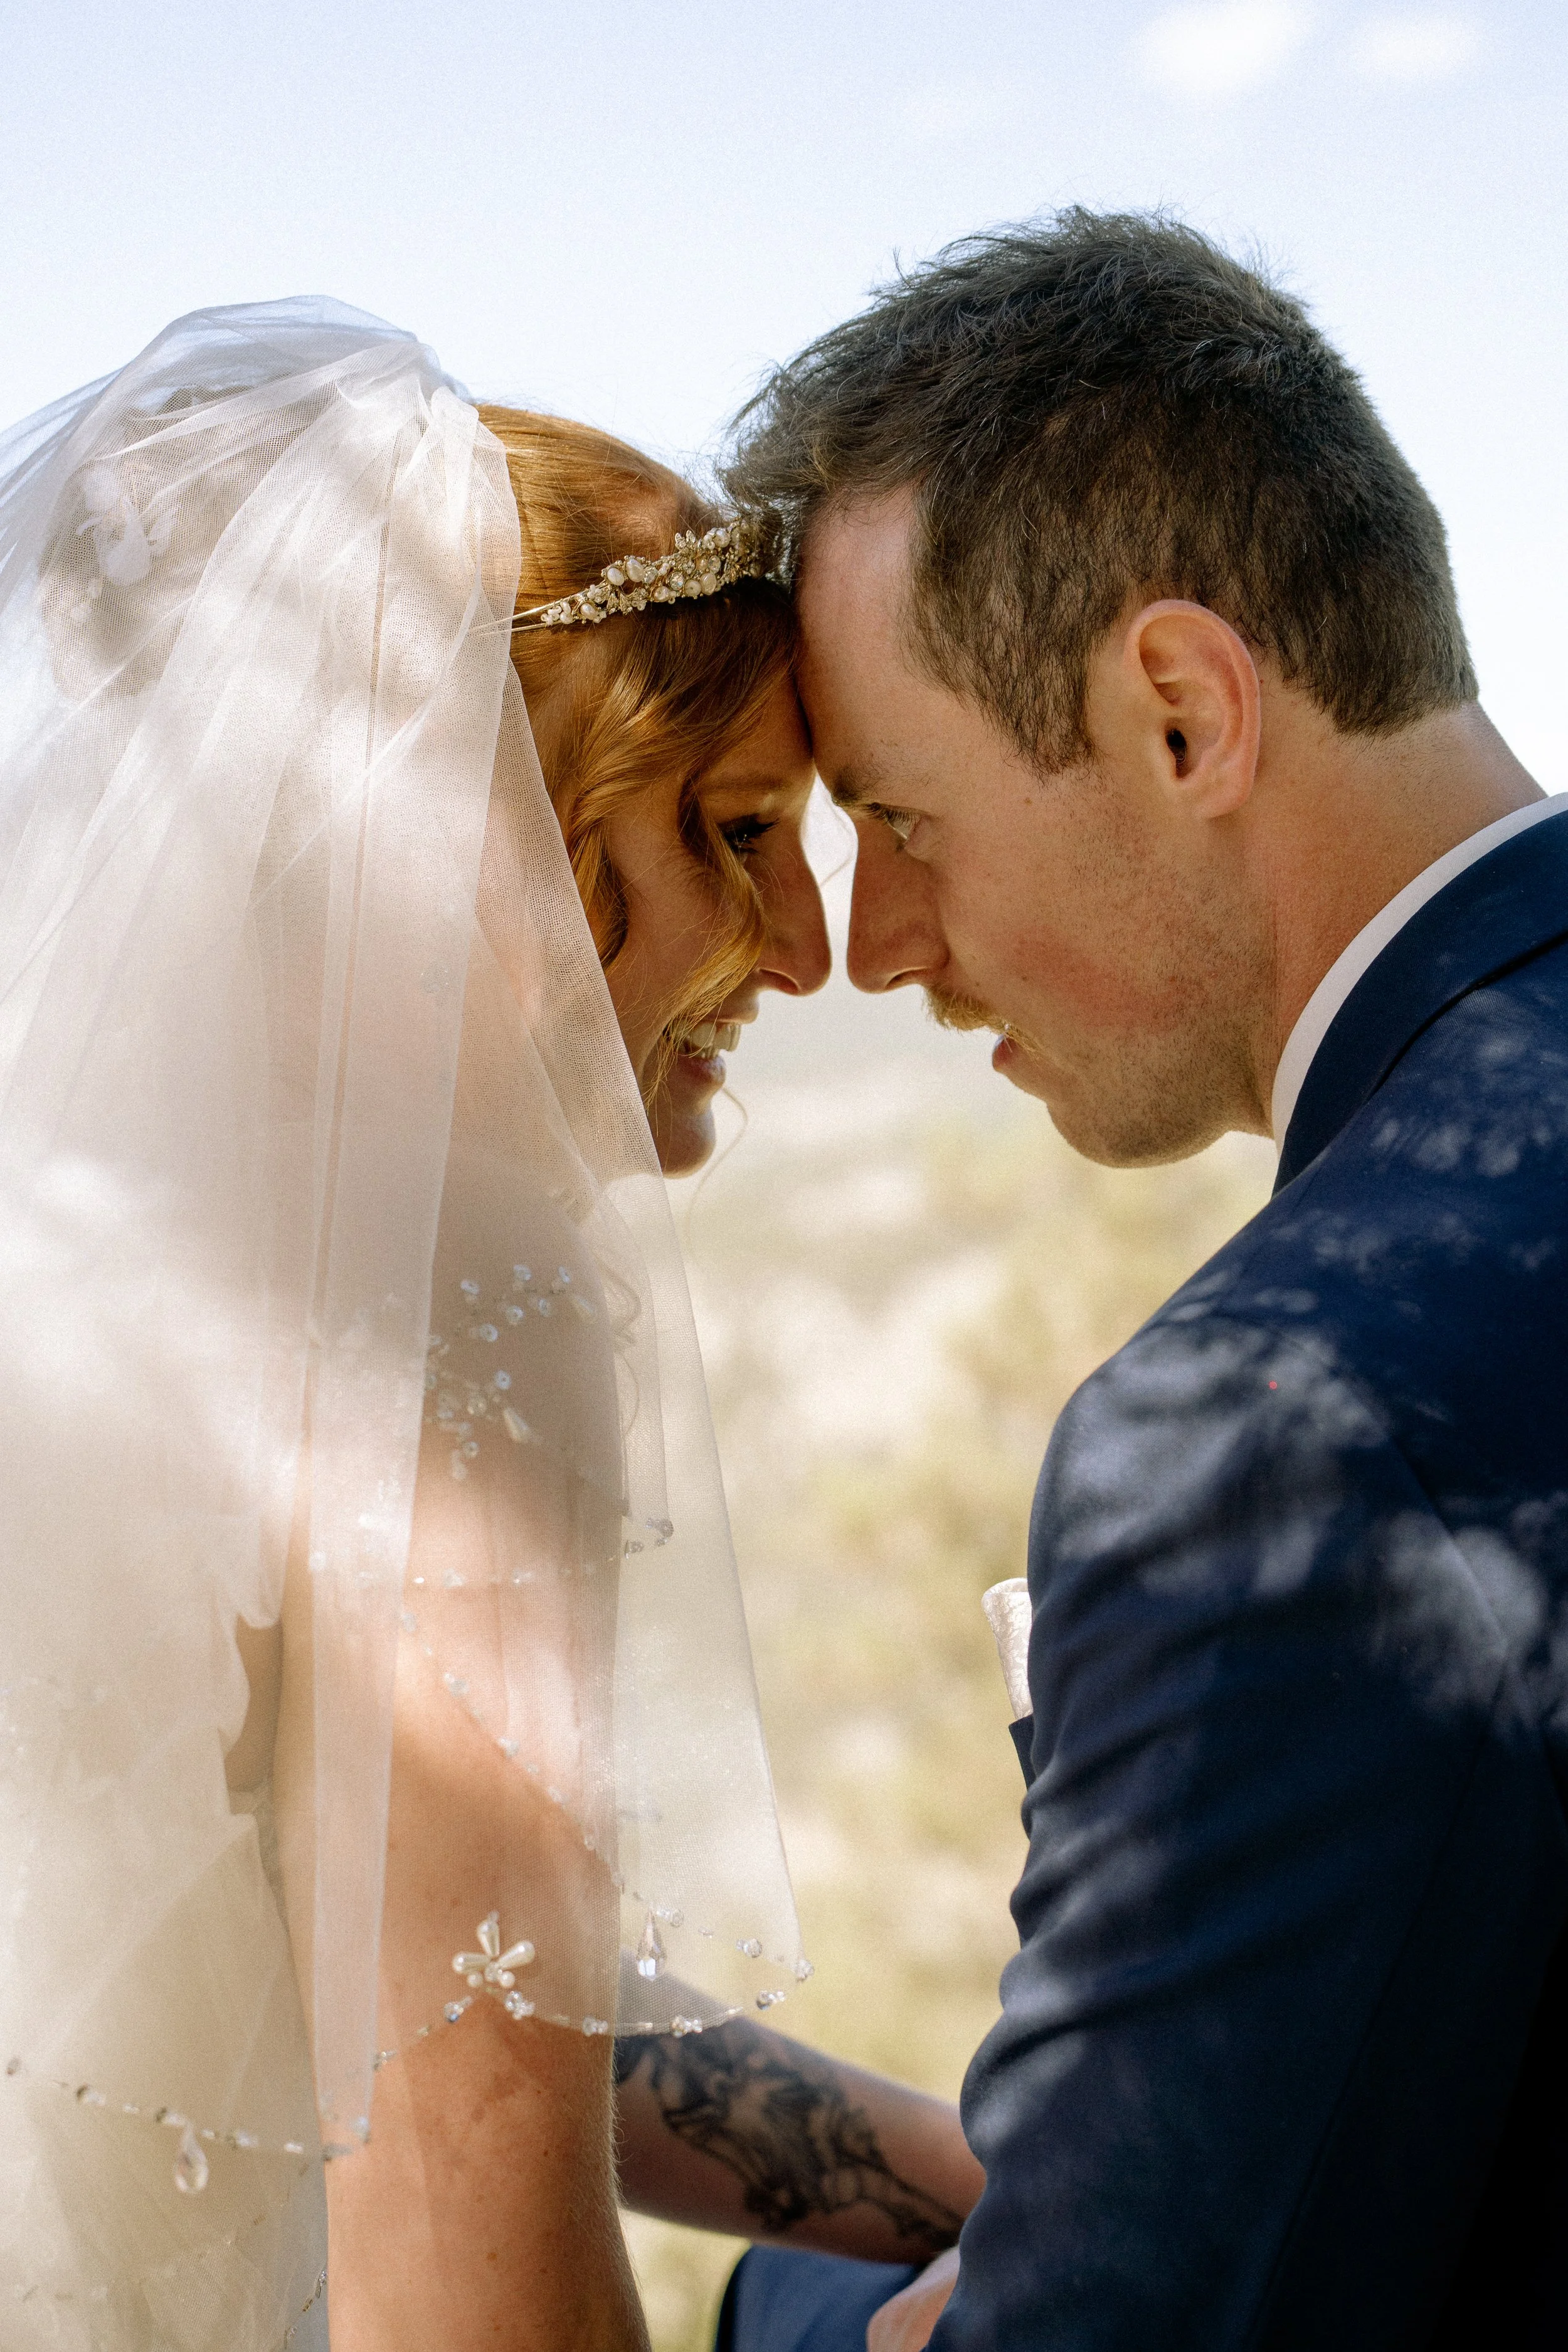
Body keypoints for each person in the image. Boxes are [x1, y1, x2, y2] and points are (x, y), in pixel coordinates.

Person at [653, 210, 1567, 2349]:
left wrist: (797, 2304)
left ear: (1178, 712)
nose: (868, 946)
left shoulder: (1283, 1422)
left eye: (899, 813)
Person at [0, 298, 830, 2349]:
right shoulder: (449, 1328)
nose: (804, 950)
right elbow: (479, 2266)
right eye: (729, 831)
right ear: (477, 845)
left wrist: (1028, 2185)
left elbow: (396, 1980)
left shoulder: (86, 1261)